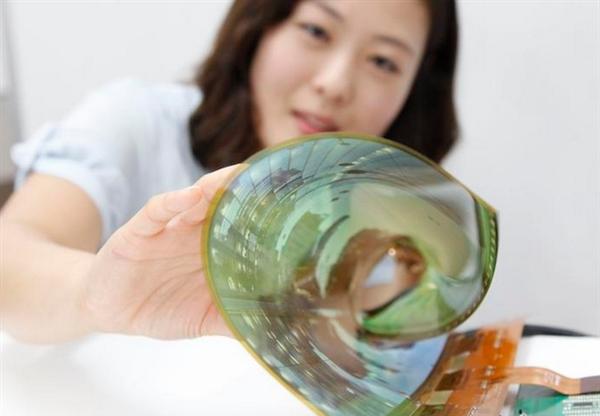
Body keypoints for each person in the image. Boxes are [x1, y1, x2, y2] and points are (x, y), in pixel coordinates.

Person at [0, 0, 458, 344]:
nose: (335, 83)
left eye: (383, 62)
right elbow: (13, 252)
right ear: (258, 27)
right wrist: (97, 293)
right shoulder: (137, 122)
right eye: (316, 31)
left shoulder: (390, 221)